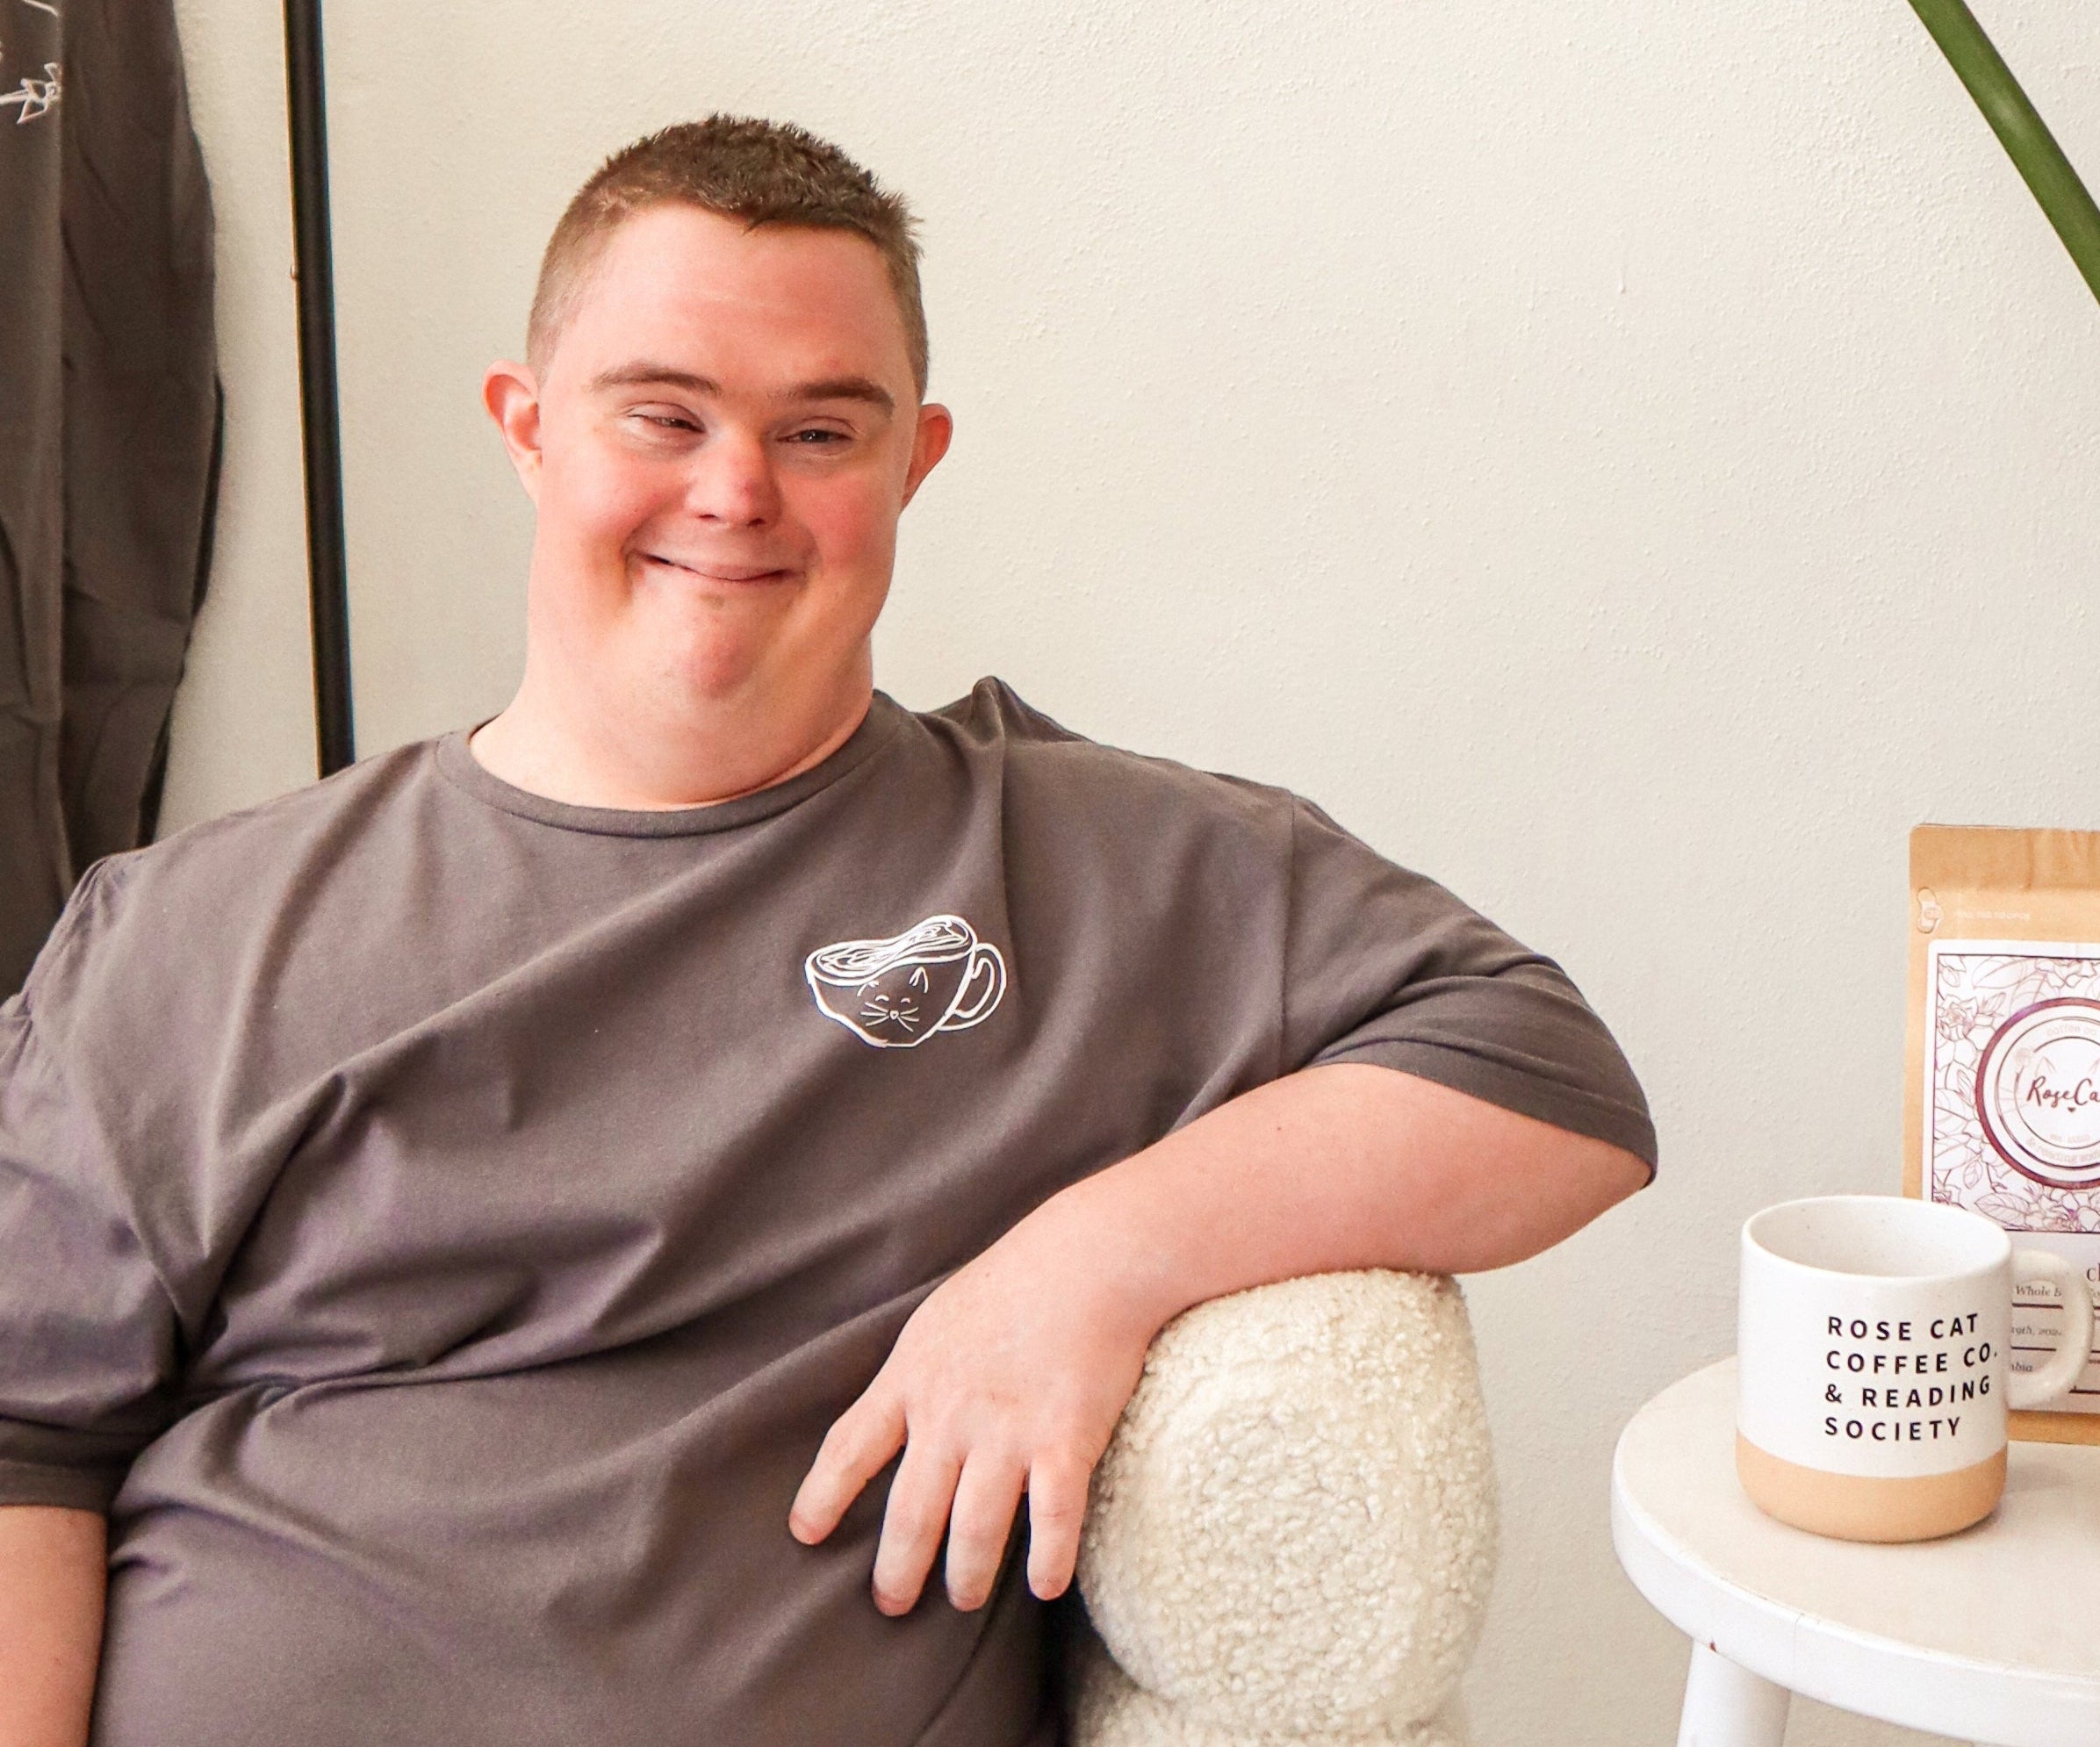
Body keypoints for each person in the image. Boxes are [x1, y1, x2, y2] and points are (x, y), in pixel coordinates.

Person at [0, 117, 1653, 1746]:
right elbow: (21, 1437)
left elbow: (1551, 1080)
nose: (732, 494)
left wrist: (1089, 1258)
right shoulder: (195, 929)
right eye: (663, 414)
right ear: (529, 430)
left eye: (819, 434)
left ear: (914, 461)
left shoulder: (1080, 864)